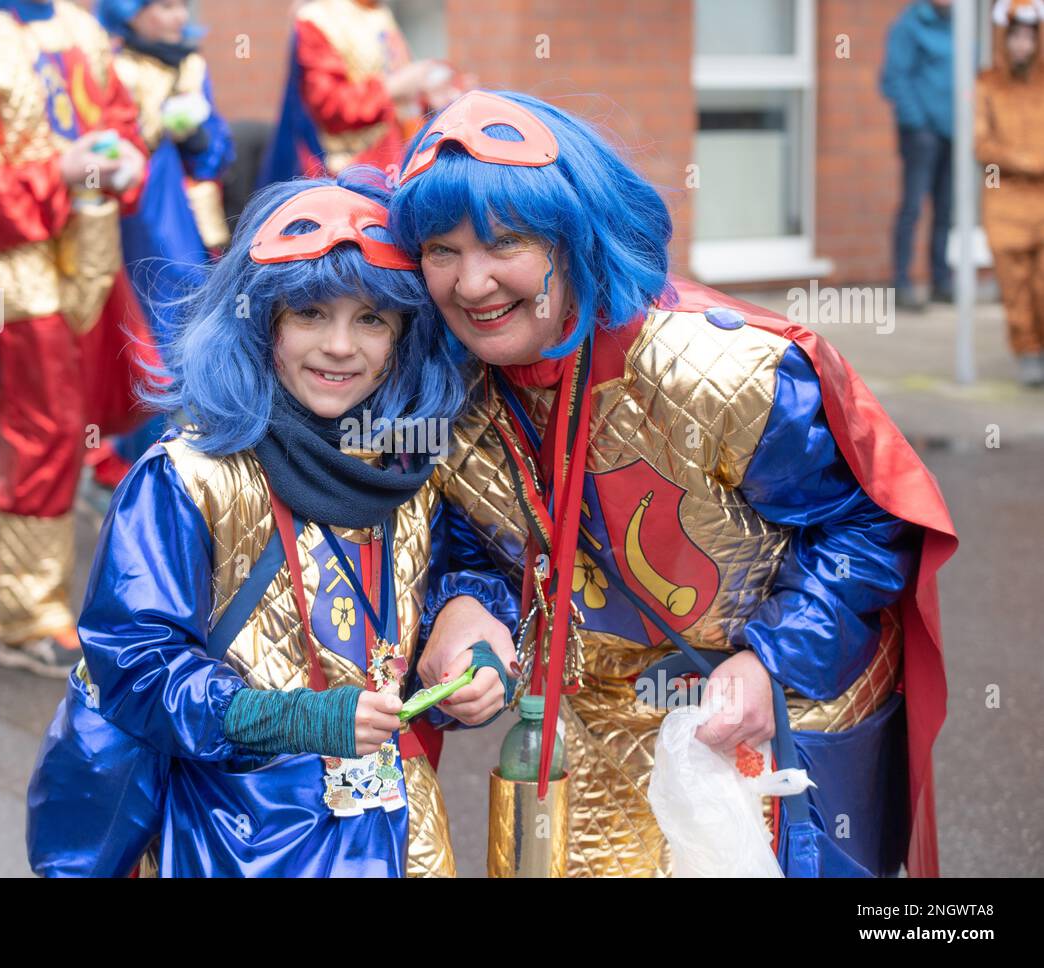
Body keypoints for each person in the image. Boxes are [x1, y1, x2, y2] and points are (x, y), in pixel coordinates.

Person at [393, 90, 958, 877]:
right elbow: (481, 541)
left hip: (781, 710)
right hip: (599, 724)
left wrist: (773, 664)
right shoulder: (444, 394)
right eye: (441, 250)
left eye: (505, 242)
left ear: (574, 239)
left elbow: (868, 527)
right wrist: (463, 608)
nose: (472, 282)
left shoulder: (725, 371)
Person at [49, 171, 516, 877]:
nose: (339, 346)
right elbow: (136, 666)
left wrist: (475, 645)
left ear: (403, 336)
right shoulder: (189, 476)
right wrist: (299, 719)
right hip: (235, 835)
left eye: (371, 320)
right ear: (261, 318)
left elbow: (472, 570)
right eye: (310, 314)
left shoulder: (414, 467)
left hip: (398, 825)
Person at [0, 0, 151, 675]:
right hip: (5, 274)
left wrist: (121, 158)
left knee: (63, 429)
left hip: (86, 260)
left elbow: (117, 120)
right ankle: (29, 614)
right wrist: (60, 174)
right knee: (49, 431)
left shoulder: (80, 28)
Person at [80, 0, 237, 516]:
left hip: (193, 224)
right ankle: (136, 468)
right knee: (148, 344)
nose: (175, 17)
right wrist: (147, 137)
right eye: (161, 5)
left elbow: (217, 155)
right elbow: (102, 152)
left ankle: (156, 468)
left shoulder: (192, 65)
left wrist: (197, 137)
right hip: (139, 220)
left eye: (178, 5)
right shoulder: (112, 66)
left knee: (192, 340)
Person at [259, 0, 460, 186]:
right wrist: (393, 87)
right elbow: (331, 106)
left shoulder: (378, 12)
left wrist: (428, 95)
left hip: (395, 159)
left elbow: (397, 78)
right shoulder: (317, 19)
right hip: (348, 173)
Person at [976, 0, 1044, 388]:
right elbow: (983, 145)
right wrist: (1028, 161)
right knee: (1015, 284)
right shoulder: (988, 85)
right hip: (1005, 204)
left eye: (1029, 37)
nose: (1022, 45)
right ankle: (1027, 350)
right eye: (1016, 36)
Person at [880, 0, 954, 310]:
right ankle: (901, 282)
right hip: (921, 135)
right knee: (913, 206)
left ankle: (941, 280)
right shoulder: (908, 25)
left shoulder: (958, 26)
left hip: (953, 133)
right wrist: (918, 124)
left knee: (946, 210)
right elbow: (892, 79)